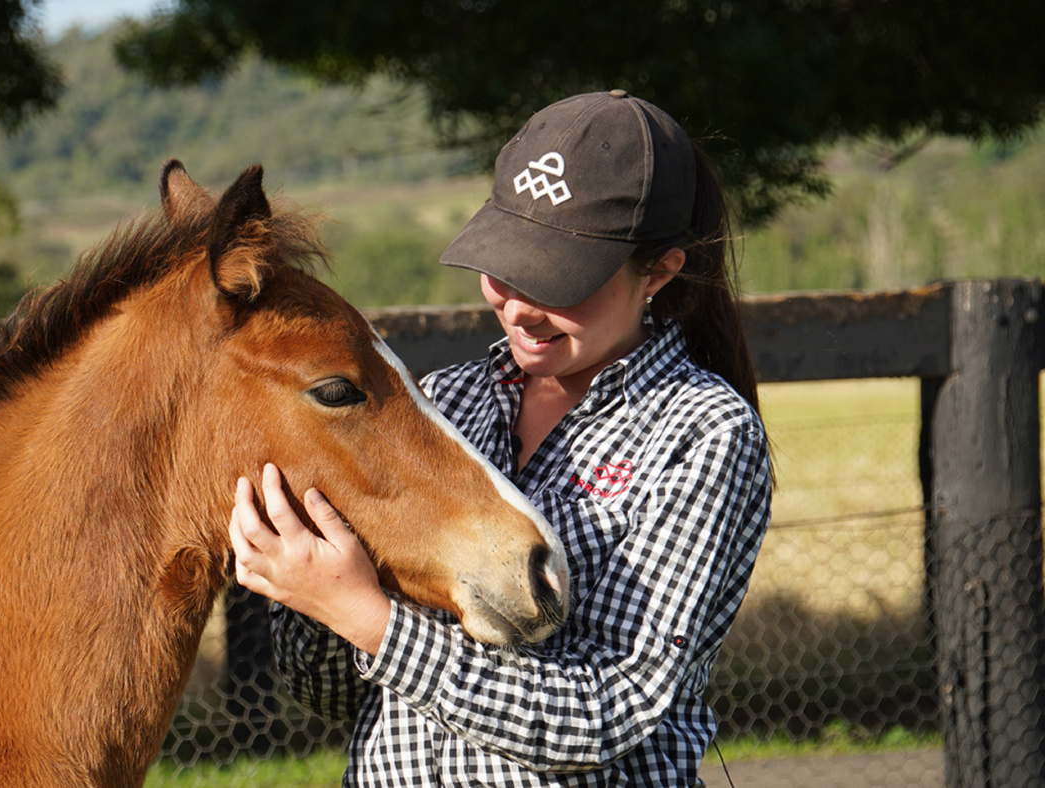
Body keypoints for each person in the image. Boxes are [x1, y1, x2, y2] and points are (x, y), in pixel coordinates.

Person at [228, 90, 773, 787]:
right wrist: (308, 590)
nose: (516, 306)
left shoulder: (701, 434)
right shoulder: (441, 402)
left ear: (658, 273)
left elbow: (609, 711)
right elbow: (330, 699)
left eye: (556, 279)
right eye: (505, 264)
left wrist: (369, 618)